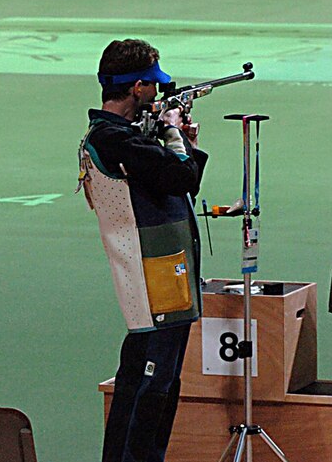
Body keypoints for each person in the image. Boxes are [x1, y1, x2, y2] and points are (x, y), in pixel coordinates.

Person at [77, 39, 206, 462]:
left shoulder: (122, 137)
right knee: (151, 388)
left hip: (160, 273)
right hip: (152, 277)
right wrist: (173, 132)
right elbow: (182, 176)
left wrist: (178, 138)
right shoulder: (115, 140)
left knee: (151, 383)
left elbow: (173, 174)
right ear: (137, 88)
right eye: (152, 86)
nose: (157, 94)